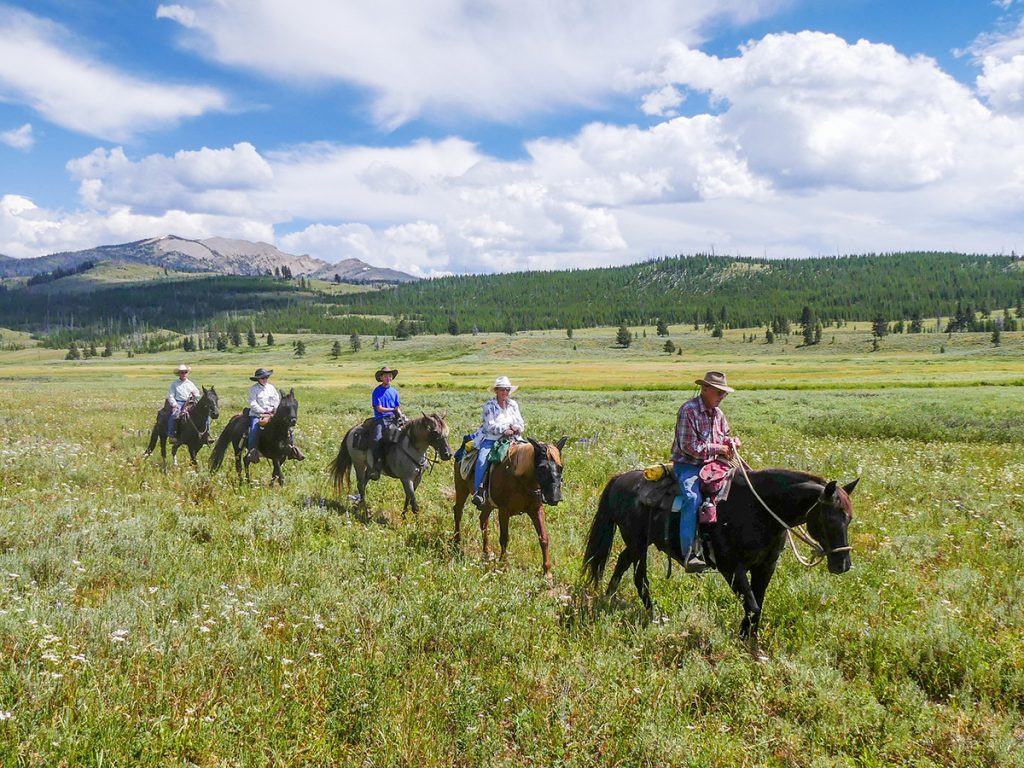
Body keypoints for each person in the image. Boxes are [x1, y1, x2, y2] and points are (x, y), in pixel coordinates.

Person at [671, 371, 741, 573]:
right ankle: (689, 553)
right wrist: (719, 449)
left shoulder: (718, 413)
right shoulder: (688, 410)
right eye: (719, 393)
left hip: (714, 464)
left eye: (724, 394)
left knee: (741, 486)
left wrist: (732, 442)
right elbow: (688, 446)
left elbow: (725, 436)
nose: (721, 397)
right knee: (692, 498)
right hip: (689, 464)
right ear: (705, 389)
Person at [471, 375, 525, 509]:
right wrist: (504, 430)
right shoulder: (489, 405)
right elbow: (490, 426)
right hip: (492, 439)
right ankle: (480, 492)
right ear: (496, 391)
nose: (505, 392)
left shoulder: (513, 404)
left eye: (507, 390)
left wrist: (516, 428)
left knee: (530, 454)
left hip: (514, 439)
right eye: (502, 390)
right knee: (482, 460)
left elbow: (520, 422)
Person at [368, 366, 401, 480]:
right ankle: (376, 467)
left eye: (390, 376)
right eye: (386, 376)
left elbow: (397, 406)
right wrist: (392, 410)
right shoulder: (377, 391)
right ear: (381, 377)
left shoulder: (394, 391)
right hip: (380, 419)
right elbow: (379, 408)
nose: (388, 378)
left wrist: (398, 413)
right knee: (376, 440)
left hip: (393, 418)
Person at [246, 367, 280, 462]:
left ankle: (292, 448)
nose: (264, 379)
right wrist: (263, 411)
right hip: (258, 414)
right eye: (262, 378)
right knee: (254, 429)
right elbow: (252, 403)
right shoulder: (254, 389)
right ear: (258, 379)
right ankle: (252, 452)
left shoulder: (271, 388)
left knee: (286, 427)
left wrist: (274, 408)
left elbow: (276, 399)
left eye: (266, 377)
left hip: (272, 414)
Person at [166, 364, 201, 444]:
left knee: (204, 414)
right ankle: (171, 435)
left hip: (191, 402)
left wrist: (195, 394)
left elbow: (197, 393)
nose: (184, 374)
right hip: (179, 402)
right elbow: (171, 395)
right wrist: (174, 405)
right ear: (179, 374)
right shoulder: (174, 384)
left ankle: (207, 433)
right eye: (182, 372)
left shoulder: (190, 383)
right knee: (174, 415)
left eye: (185, 372)